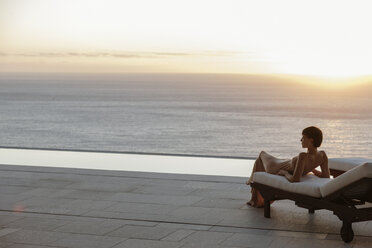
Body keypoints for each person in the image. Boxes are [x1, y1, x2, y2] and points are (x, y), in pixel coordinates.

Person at [246, 126, 330, 208]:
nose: (301, 140)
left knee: (262, 154)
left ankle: (252, 183)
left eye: (303, 138)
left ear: (311, 140)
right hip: (283, 163)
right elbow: (326, 176)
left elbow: (295, 179)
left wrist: (284, 173)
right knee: (260, 160)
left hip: (276, 167)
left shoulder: (303, 156)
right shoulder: (322, 155)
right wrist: (313, 170)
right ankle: (254, 193)